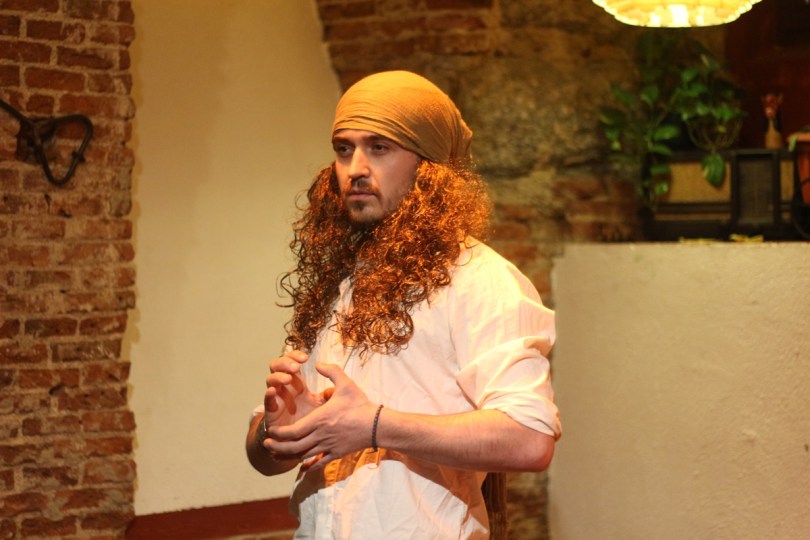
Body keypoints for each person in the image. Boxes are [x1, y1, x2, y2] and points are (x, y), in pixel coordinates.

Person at [245, 70, 561, 539]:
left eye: (379, 147)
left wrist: (375, 427)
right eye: (343, 149)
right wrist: (278, 434)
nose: (355, 168)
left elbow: (530, 439)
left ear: (428, 168)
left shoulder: (479, 279)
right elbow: (263, 457)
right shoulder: (339, 283)